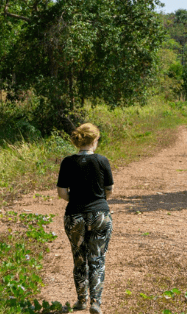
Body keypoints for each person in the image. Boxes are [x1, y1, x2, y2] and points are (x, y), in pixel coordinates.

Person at [57, 123, 114, 314]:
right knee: (97, 258)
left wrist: (77, 201)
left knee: (79, 259)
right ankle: (96, 303)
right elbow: (109, 191)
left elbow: (62, 193)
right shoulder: (102, 160)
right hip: (99, 214)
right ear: (95, 140)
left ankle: (82, 300)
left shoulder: (67, 162)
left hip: (74, 215)